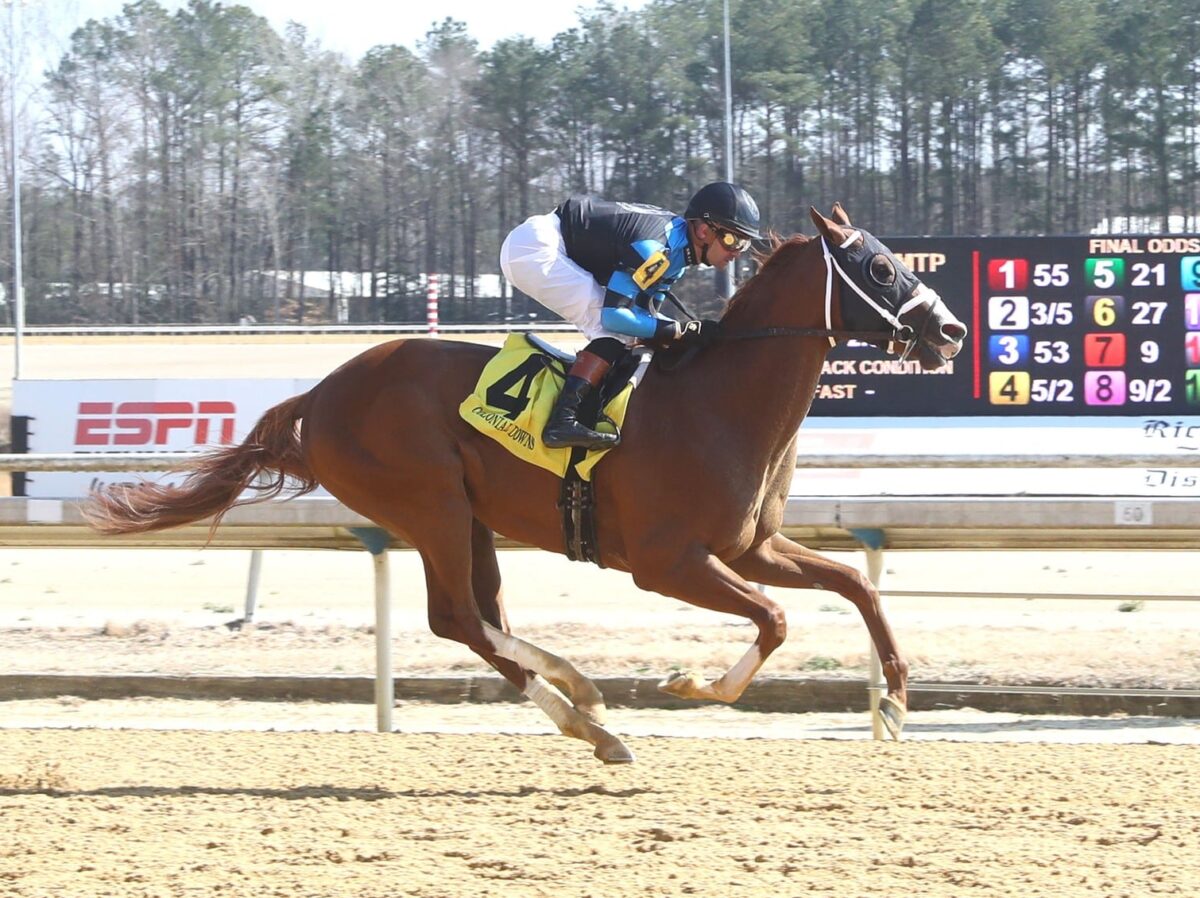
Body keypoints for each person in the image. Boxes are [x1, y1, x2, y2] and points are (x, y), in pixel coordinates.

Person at [499, 181, 761, 451]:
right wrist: (680, 330)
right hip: (535, 250)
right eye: (733, 239)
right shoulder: (657, 252)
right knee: (612, 331)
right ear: (704, 230)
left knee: (629, 332)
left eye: (745, 242)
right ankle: (563, 420)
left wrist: (679, 332)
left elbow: (647, 317)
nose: (737, 252)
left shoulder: (677, 257)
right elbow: (615, 318)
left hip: (540, 240)